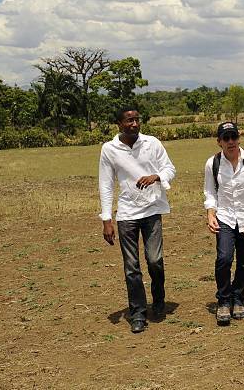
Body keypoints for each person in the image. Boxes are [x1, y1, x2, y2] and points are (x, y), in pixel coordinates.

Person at [99, 108, 176, 333]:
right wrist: (106, 219)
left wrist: (157, 176)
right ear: (119, 124)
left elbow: (169, 168)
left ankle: (158, 298)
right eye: (129, 120)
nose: (134, 124)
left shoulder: (152, 143)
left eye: (136, 120)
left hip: (152, 210)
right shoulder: (109, 149)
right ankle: (138, 313)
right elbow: (105, 184)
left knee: (155, 260)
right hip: (127, 214)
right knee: (131, 267)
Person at [204, 122, 244, 324]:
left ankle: (238, 296)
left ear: (239, 138)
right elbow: (210, 192)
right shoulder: (212, 163)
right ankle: (223, 300)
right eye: (226, 138)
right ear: (219, 142)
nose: (230, 142)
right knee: (224, 258)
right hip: (224, 217)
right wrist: (210, 213)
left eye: (234, 137)